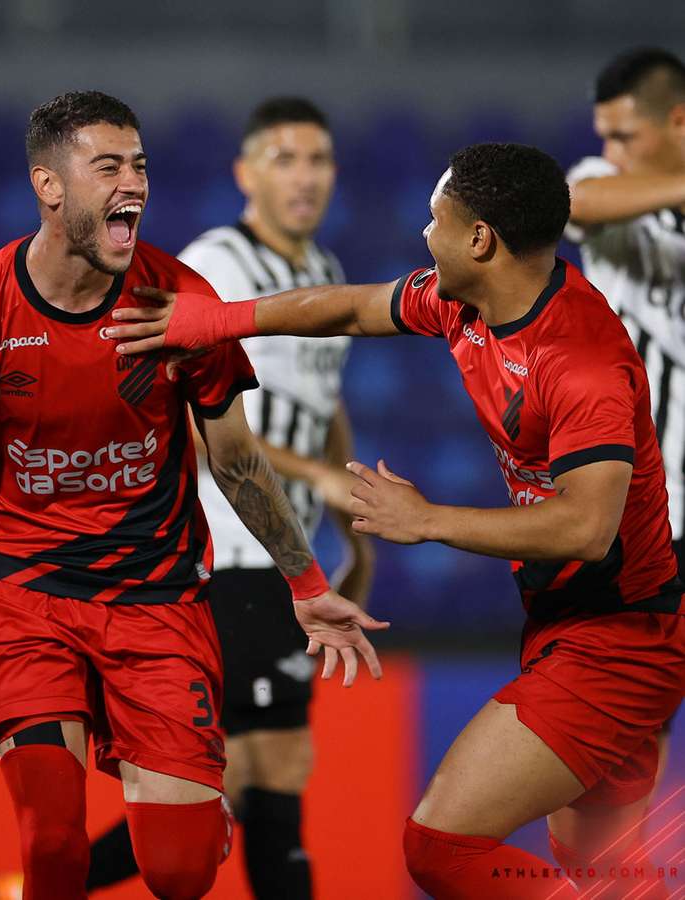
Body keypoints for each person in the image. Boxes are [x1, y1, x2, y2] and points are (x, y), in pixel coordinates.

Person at [0, 91, 385, 900]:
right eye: (109, 167)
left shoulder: (178, 299)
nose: (133, 183)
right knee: (54, 849)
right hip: (26, 600)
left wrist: (307, 583)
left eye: (139, 166)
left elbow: (234, 460)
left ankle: (200, 821)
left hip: (155, 602)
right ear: (50, 187)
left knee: (179, 869)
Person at [108, 141, 685, 899]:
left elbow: (587, 529)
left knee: (440, 846)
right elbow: (348, 307)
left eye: (436, 217)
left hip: (619, 643)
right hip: (569, 624)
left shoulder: (581, 362)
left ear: (480, 238)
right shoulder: (465, 300)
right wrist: (216, 321)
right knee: (599, 873)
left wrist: (427, 518)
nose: (424, 232)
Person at [87, 97, 373, 900]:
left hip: (286, 556)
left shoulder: (323, 272)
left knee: (246, 783)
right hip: (223, 546)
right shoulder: (215, 265)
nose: (306, 176)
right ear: (246, 173)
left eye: (318, 159)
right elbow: (180, 405)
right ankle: (48, 879)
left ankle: (42, 881)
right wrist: (309, 479)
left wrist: (342, 498)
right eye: (285, 159)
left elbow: (327, 404)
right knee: (261, 771)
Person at [566, 47, 685, 779]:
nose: (609, 152)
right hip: (646, 517)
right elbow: (568, 202)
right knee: (627, 739)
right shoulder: (607, 192)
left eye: (623, 136)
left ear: (677, 119)